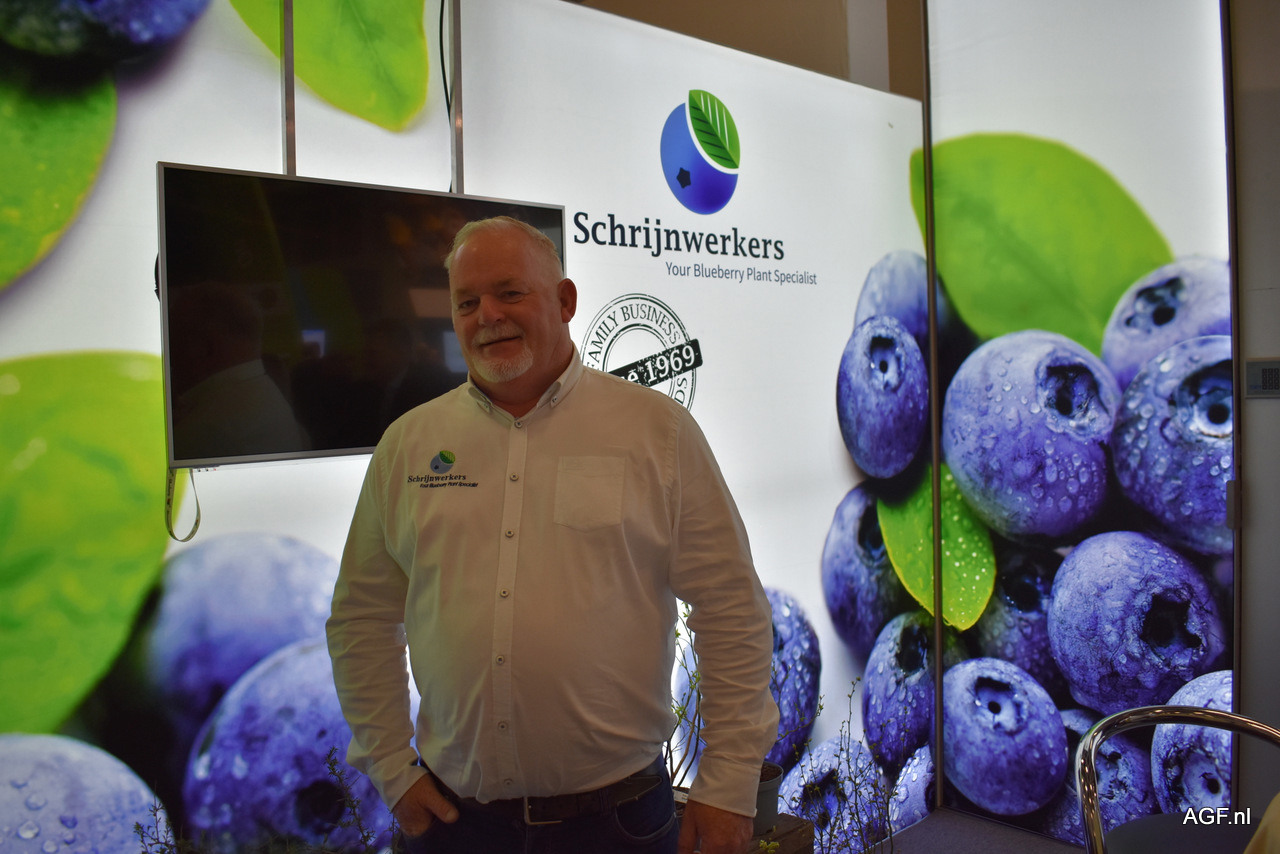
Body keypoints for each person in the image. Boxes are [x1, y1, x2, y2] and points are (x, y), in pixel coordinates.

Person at [326, 216, 778, 854]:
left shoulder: (658, 431)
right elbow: (361, 617)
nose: (487, 315)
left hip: (617, 825)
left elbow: (729, 606)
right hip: (456, 827)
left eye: (509, 292)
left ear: (565, 301)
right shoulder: (408, 444)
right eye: (466, 302)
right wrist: (391, 768)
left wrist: (729, 781)